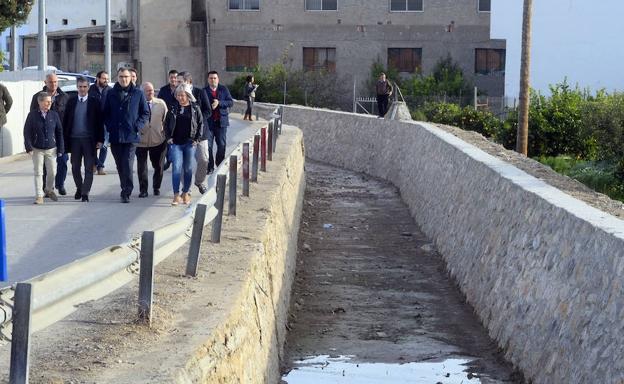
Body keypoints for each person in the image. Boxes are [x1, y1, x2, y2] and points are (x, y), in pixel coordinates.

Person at [102, 68, 150, 203]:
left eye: (126, 77)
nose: (124, 79)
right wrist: (110, 125)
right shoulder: (111, 93)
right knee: (119, 164)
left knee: (127, 163)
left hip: (131, 135)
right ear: (117, 77)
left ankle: (126, 191)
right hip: (116, 135)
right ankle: (124, 186)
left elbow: (145, 113)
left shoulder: (138, 93)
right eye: (121, 76)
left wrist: (137, 126)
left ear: (131, 78)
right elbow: (105, 113)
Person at [63, 77, 104, 202]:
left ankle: (85, 193)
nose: (82, 89)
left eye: (85, 86)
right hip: (74, 140)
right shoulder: (71, 101)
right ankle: (79, 188)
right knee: (75, 167)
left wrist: (100, 140)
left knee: (88, 167)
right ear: (77, 87)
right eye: (80, 86)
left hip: (89, 140)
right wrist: (64, 141)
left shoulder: (94, 102)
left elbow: (99, 122)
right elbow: (65, 121)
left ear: (88, 87)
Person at [30, 72, 69, 195]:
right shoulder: (37, 97)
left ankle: (60, 184)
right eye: (51, 82)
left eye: (56, 82)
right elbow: (33, 118)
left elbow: (68, 117)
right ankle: (48, 188)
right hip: (44, 137)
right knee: (46, 166)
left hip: (60, 135)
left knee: (62, 160)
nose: (54, 84)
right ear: (45, 82)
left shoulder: (65, 97)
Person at [165, 84, 203, 206]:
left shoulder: (195, 108)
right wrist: (168, 138)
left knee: (188, 169)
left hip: (190, 143)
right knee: (176, 168)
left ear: (188, 95)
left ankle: (185, 192)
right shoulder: (172, 108)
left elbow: (200, 124)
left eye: (182, 95)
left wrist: (197, 139)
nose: (180, 97)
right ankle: (176, 195)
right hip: (176, 143)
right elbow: (166, 124)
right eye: (178, 95)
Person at [24, 92, 64, 205]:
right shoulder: (32, 115)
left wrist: (61, 148)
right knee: (38, 172)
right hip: (37, 149)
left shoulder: (54, 115)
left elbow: (59, 132)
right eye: (47, 101)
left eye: (50, 102)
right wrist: (29, 147)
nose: (49, 103)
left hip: (51, 148)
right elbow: (26, 132)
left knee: (52, 172)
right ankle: (39, 196)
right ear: (40, 102)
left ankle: (48, 189)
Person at [179, 71, 211, 194]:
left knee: (204, 159)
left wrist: (197, 120)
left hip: (201, 133)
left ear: (188, 81)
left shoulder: (200, 92)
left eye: (180, 81)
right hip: (183, 134)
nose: (178, 84)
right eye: (177, 82)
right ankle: (186, 187)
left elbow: (208, 110)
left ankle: (199, 181)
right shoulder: (177, 94)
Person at [136, 82, 168, 198]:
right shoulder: (137, 104)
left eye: (152, 90)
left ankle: (156, 186)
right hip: (141, 140)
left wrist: (164, 133)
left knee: (158, 166)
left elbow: (166, 120)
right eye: (148, 90)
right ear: (142, 92)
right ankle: (143, 190)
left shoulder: (161, 103)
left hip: (158, 140)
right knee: (142, 167)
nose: (151, 92)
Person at [204, 71, 233, 173]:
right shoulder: (203, 91)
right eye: (211, 78)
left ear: (218, 79)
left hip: (221, 123)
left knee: (221, 145)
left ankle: (219, 164)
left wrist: (219, 103)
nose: (213, 80)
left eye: (215, 78)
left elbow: (230, 102)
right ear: (208, 80)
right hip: (208, 124)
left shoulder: (223, 89)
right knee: (208, 146)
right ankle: (210, 167)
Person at [89, 70, 111, 175]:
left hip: (106, 122)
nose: (106, 80)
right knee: (92, 145)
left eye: (107, 78)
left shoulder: (110, 90)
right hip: (93, 122)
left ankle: (100, 167)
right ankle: (94, 163)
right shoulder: (90, 90)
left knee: (104, 145)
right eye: (104, 78)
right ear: (98, 78)